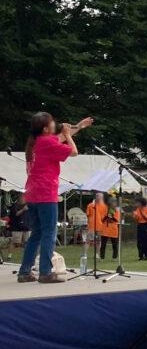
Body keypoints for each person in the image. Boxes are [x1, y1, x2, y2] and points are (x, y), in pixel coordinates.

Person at [17, 113, 91, 283]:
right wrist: (68, 134)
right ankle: (45, 272)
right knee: (49, 233)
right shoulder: (48, 142)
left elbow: (59, 139)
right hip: (46, 193)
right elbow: (73, 152)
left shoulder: (37, 141)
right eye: (52, 122)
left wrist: (78, 127)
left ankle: (24, 272)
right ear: (45, 128)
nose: (55, 124)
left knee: (36, 234)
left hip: (32, 193)